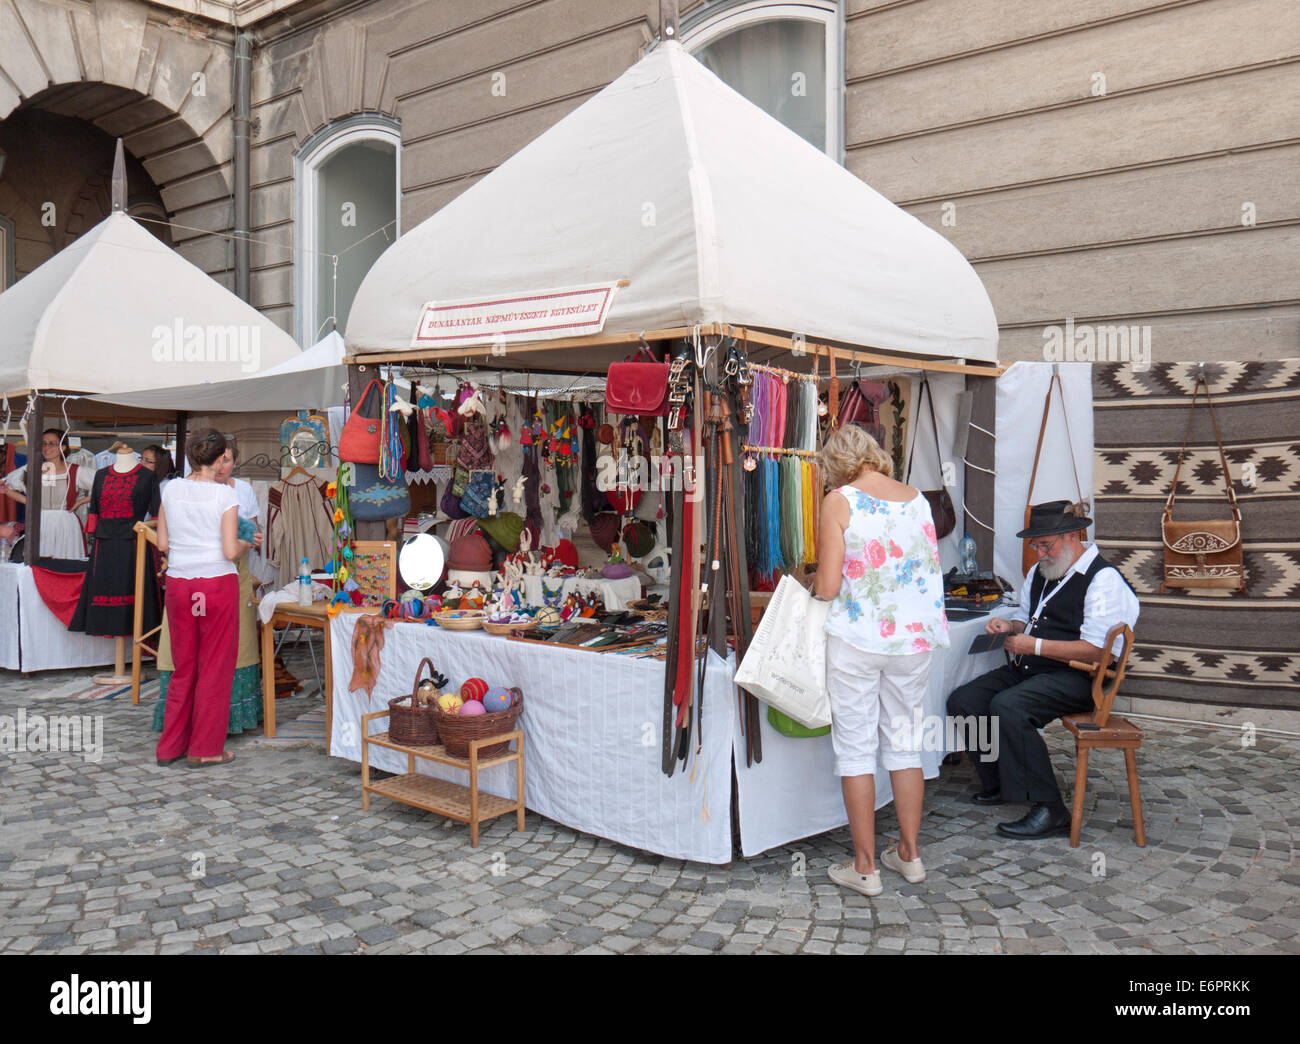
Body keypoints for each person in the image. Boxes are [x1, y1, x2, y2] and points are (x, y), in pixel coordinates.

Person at [946, 500, 1139, 839]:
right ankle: (1000, 781)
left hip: (1079, 677)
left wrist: (1032, 645)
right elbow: (1026, 617)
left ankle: (1050, 808)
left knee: (1010, 707)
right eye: (1035, 545)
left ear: (1070, 536)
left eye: (1044, 544)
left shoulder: (1103, 580)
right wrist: (1009, 628)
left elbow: (1098, 653)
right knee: (965, 700)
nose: (1038, 553)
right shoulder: (1041, 571)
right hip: (1032, 668)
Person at [814, 424, 949, 897]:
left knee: (855, 750)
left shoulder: (839, 501)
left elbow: (829, 587)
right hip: (914, 641)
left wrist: (813, 583)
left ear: (834, 464)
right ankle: (909, 855)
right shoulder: (917, 499)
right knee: (906, 745)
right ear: (875, 453)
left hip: (858, 638)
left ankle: (865, 866)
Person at [153, 429, 259, 768]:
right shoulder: (224, 497)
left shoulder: (170, 489)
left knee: (184, 667)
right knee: (214, 668)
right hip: (215, 584)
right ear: (218, 459)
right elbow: (230, 551)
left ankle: (169, 747)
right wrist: (248, 542)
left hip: (180, 584)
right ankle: (205, 748)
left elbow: (162, 544)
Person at [3, 428, 94, 559]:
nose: (46, 447)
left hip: (66, 524)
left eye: (52, 443)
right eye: (43, 444)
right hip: (40, 522)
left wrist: (81, 501)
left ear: (63, 447)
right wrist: (31, 503)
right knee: (40, 562)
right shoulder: (31, 469)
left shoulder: (76, 471)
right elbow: (6, 487)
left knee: (66, 561)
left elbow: (105, 486)